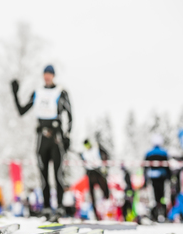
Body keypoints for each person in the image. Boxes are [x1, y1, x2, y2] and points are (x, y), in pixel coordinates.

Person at [11, 65, 72, 218]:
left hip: (56, 137)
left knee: (58, 174)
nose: (47, 76)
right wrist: (15, 93)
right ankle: (45, 206)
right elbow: (22, 110)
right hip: (41, 137)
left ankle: (59, 206)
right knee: (43, 174)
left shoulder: (61, 92)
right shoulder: (38, 93)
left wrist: (67, 135)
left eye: (50, 74)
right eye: (45, 74)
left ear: (53, 76)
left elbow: (70, 115)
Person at [143, 134, 171, 222]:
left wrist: (145, 179)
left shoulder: (148, 153)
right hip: (162, 178)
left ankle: (154, 215)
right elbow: (167, 167)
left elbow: (145, 167)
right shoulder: (164, 153)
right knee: (162, 197)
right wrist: (169, 177)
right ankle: (164, 214)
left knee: (154, 197)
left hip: (153, 178)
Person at [80, 139, 110, 220]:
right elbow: (83, 162)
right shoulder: (84, 153)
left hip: (98, 172)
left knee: (105, 190)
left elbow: (105, 155)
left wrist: (105, 167)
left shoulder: (96, 149)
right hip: (90, 173)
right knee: (92, 195)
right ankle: (95, 213)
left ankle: (107, 208)